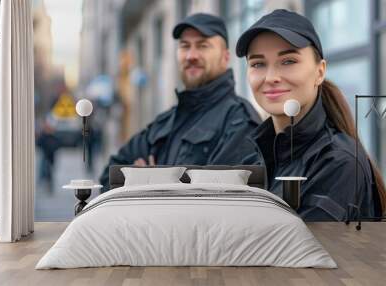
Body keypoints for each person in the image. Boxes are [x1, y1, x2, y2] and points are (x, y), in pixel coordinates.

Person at [219, 9, 386, 221]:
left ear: (320, 71)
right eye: (258, 64)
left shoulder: (338, 164)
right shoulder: (256, 157)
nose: (271, 77)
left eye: (288, 61)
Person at [99, 13, 261, 192]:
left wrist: (149, 187)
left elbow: (220, 203)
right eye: (185, 46)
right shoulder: (165, 122)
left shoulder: (240, 122)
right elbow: (108, 178)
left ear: (225, 57)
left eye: (203, 45)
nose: (191, 55)